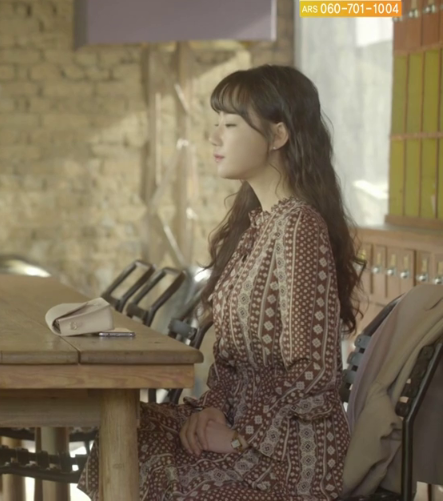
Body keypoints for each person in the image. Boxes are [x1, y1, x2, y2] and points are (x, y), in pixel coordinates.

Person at [78, 65, 361, 500]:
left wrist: (239, 437)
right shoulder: (256, 228)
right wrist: (210, 411)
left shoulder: (299, 227)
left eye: (230, 124)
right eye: (217, 123)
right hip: (238, 424)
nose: (214, 137)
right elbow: (230, 361)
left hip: (288, 453)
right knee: (125, 430)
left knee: (148, 464)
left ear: (278, 135)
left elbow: (313, 372)